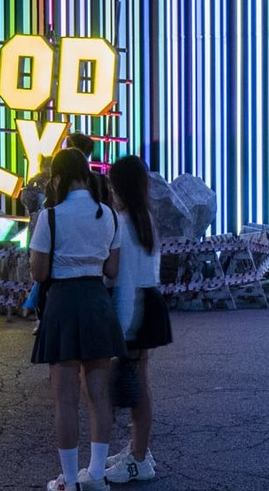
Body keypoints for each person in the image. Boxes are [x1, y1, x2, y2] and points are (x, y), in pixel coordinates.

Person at [31, 148, 125, 491]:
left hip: (63, 305)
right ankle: (96, 474)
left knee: (65, 399)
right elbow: (112, 269)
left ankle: (69, 481)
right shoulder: (108, 214)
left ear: (57, 178)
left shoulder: (50, 217)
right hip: (97, 303)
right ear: (85, 175)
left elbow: (39, 272)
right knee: (98, 395)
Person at [105, 156, 169, 485]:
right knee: (140, 381)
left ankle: (139, 458)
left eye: (112, 183)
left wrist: (123, 325)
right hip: (148, 301)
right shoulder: (145, 219)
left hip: (134, 306)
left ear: (120, 187)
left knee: (137, 386)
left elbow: (124, 279)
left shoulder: (121, 222)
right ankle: (138, 449)